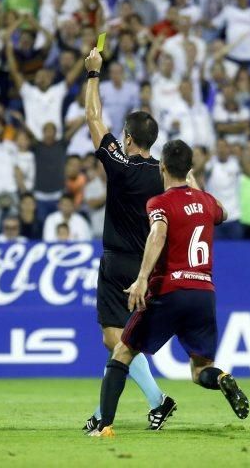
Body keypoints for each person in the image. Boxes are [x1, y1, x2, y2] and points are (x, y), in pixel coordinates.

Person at [90, 139, 249, 438]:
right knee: (200, 370)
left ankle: (104, 425)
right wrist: (196, 187)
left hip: (170, 290)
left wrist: (141, 278)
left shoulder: (159, 203)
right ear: (189, 170)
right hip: (203, 293)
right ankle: (223, 378)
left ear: (162, 166)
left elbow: (158, 235)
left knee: (122, 350)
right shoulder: (206, 202)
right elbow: (223, 213)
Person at [82, 47, 173, 432]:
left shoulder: (121, 165)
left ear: (128, 138)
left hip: (118, 261)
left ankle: (143, 404)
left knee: (114, 337)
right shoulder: (165, 174)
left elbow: (92, 116)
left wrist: (92, 74)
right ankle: (156, 401)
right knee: (120, 337)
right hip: (148, 265)